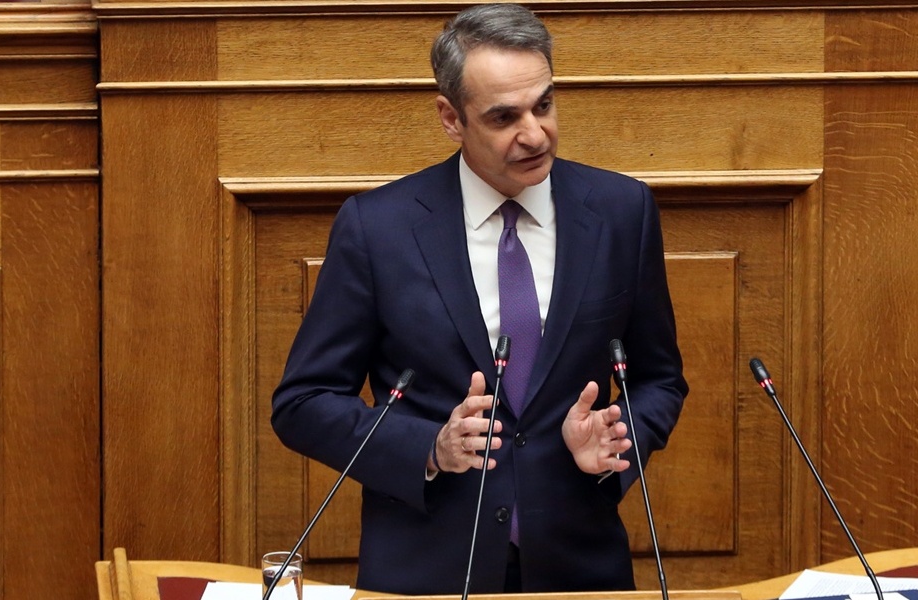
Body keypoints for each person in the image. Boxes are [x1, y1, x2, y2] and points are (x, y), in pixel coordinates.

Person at [271, 3, 688, 595]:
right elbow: (303, 403)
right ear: (451, 118)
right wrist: (430, 448)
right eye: (504, 117)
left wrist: (618, 440)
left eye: (544, 105)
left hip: (577, 567)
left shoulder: (622, 212)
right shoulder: (378, 228)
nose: (534, 134)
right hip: (427, 571)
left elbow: (659, 380)